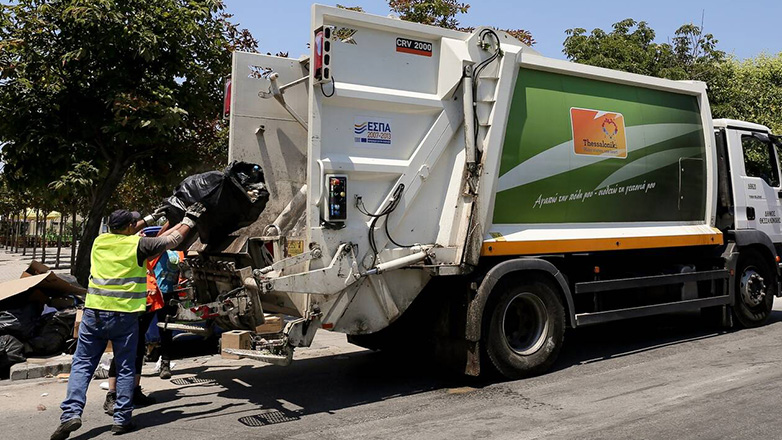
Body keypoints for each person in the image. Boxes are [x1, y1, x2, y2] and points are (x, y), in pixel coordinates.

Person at [51, 204, 204, 440]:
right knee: (125, 366)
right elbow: (172, 240)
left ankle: (70, 414)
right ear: (131, 227)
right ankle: (122, 419)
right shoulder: (139, 245)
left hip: (94, 314)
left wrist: (153, 216)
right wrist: (191, 219)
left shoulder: (99, 242)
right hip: (124, 316)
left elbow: (128, 228)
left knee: (82, 365)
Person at [102, 246, 183, 415]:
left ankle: (135, 390)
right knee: (123, 349)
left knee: (138, 348)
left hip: (146, 305)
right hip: (129, 307)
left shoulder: (151, 255)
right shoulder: (129, 252)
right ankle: (112, 395)